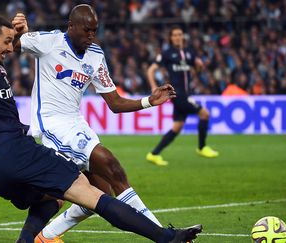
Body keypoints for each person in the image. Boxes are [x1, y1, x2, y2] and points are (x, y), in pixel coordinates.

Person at [0, 6, 202, 243]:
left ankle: (33, 241)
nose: (11, 47)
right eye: (5, 41)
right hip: (16, 153)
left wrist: (18, 29)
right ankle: (166, 237)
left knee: (52, 200)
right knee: (97, 191)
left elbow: (9, 46)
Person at [12, 5, 198, 243]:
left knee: (98, 193)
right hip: (52, 123)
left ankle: (44, 237)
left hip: (76, 122)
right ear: (71, 26)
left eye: (95, 30)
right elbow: (11, 45)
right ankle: (164, 236)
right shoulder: (48, 41)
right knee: (112, 166)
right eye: (87, 30)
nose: (91, 35)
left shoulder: (95, 55)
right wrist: (17, 31)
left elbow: (115, 102)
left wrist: (148, 101)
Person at [145, 26, 219, 166]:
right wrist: (154, 86)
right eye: (175, 35)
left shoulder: (189, 53)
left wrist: (200, 66)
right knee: (204, 114)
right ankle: (202, 147)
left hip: (185, 93)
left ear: (183, 37)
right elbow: (151, 70)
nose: (178, 37)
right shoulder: (167, 54)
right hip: (177, 94)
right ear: (171, 38)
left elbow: (198, 69)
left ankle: (153, 154)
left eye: (180, 34)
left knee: (177, 126)